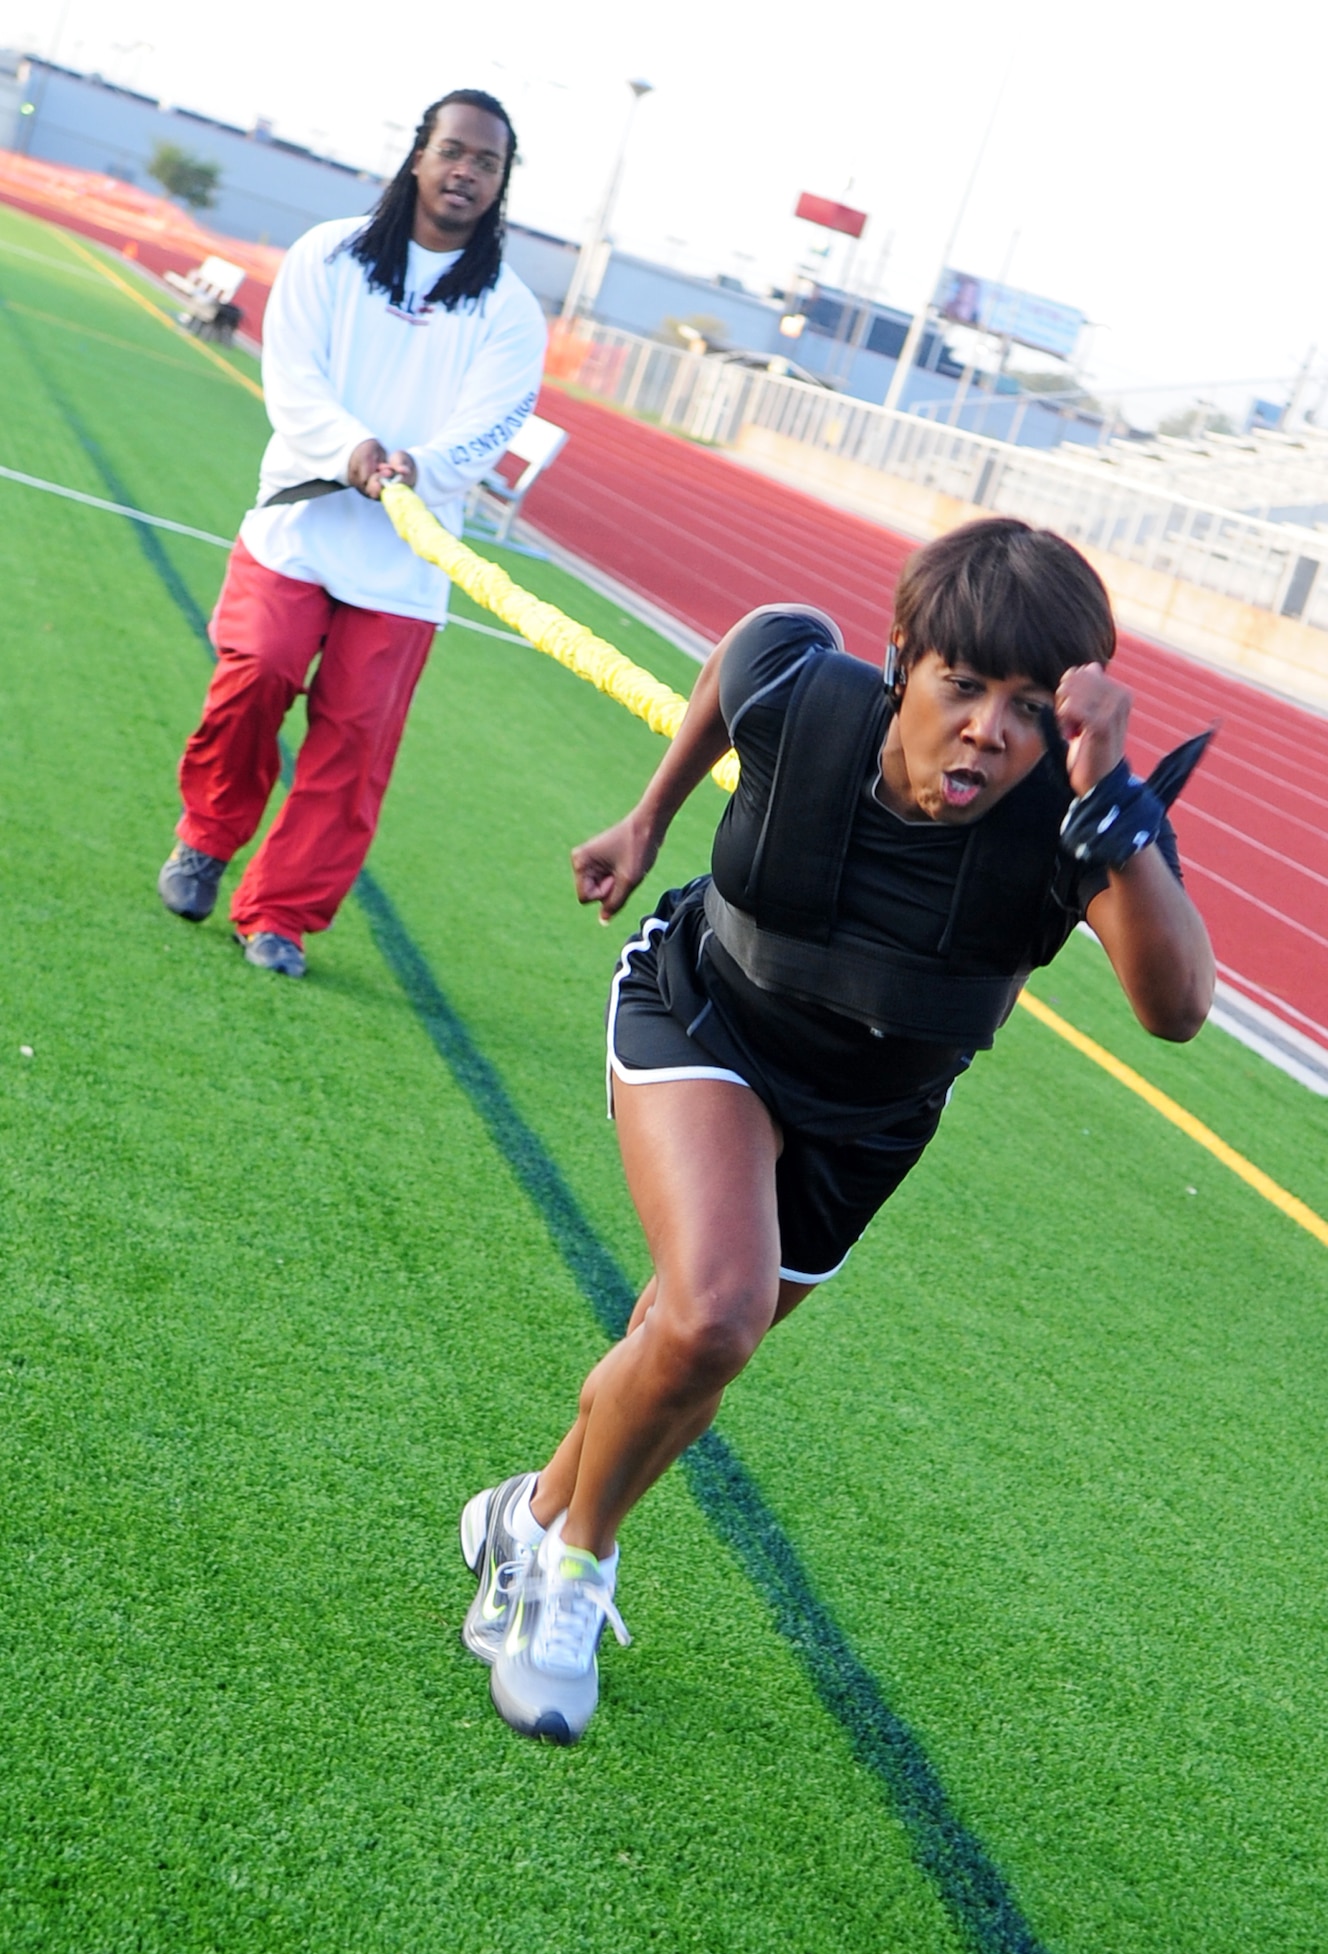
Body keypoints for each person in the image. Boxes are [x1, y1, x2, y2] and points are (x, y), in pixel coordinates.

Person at [458, 516, 1216, 1744]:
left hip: (868, 1115)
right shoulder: (807, 698)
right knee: (712, 1310)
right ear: (900, 658)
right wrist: (647, 817)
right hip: (703, 1014)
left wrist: (1112, 803)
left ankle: (526, 1513)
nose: (987, 728)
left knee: (687, 1346)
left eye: (1028, 705)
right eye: (960, 685)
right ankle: (567, 1568)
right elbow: (736, 652)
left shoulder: (1074, 822)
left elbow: (1174, 1008)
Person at [158, 90, 547, 976]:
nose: (466, 173)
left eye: (486, 163)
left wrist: (416, 467)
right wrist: (352, 449)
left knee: (356, 741)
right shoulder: (326, 254)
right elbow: (290, 376)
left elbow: (493, 426)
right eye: (453, 152)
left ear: (500, 183)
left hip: (405, 558)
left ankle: (279, 915)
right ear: (419, 155)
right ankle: (207, 840)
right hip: (299, 518)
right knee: (256, 672)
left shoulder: (511, 311)